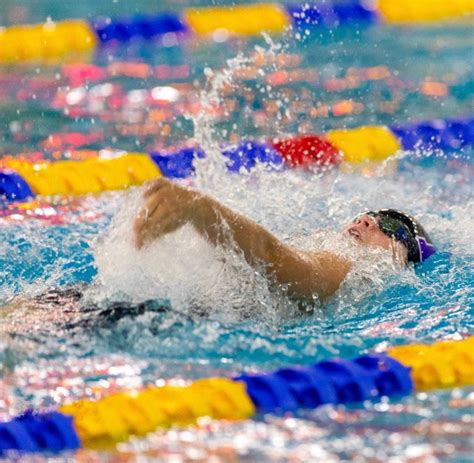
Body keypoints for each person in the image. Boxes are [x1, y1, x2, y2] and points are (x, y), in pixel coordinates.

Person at [134, 178, 437, 303]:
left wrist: (197, 208)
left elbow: (272, 258)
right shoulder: (327, 249)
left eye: (389, 225)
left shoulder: (350, 268)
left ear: (400, 255)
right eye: (369, 213)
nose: (366, 219)